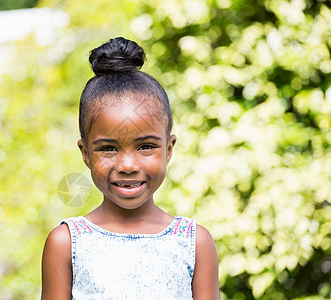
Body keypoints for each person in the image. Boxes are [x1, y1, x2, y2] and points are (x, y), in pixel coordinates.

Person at [41, 37, 219, 299]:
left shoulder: (194, 242)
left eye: (146, 146)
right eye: (108, 148)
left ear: (169, 149)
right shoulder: (66, 243)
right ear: (86, 153)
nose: (127, 165)